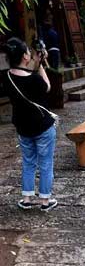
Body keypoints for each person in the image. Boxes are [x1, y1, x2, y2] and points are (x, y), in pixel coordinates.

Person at [3, 37, 58, 211]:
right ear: (25, 57)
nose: (29, 53)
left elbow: (23, 75)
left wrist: (37, 62)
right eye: (28, 51)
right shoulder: (34, 79)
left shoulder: (7, 77)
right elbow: (47, 86)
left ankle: (26, 199)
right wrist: (40, 64)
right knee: (46, 164)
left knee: (28, 162)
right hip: (42, 127)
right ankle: (44, 201)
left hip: (23, 128)